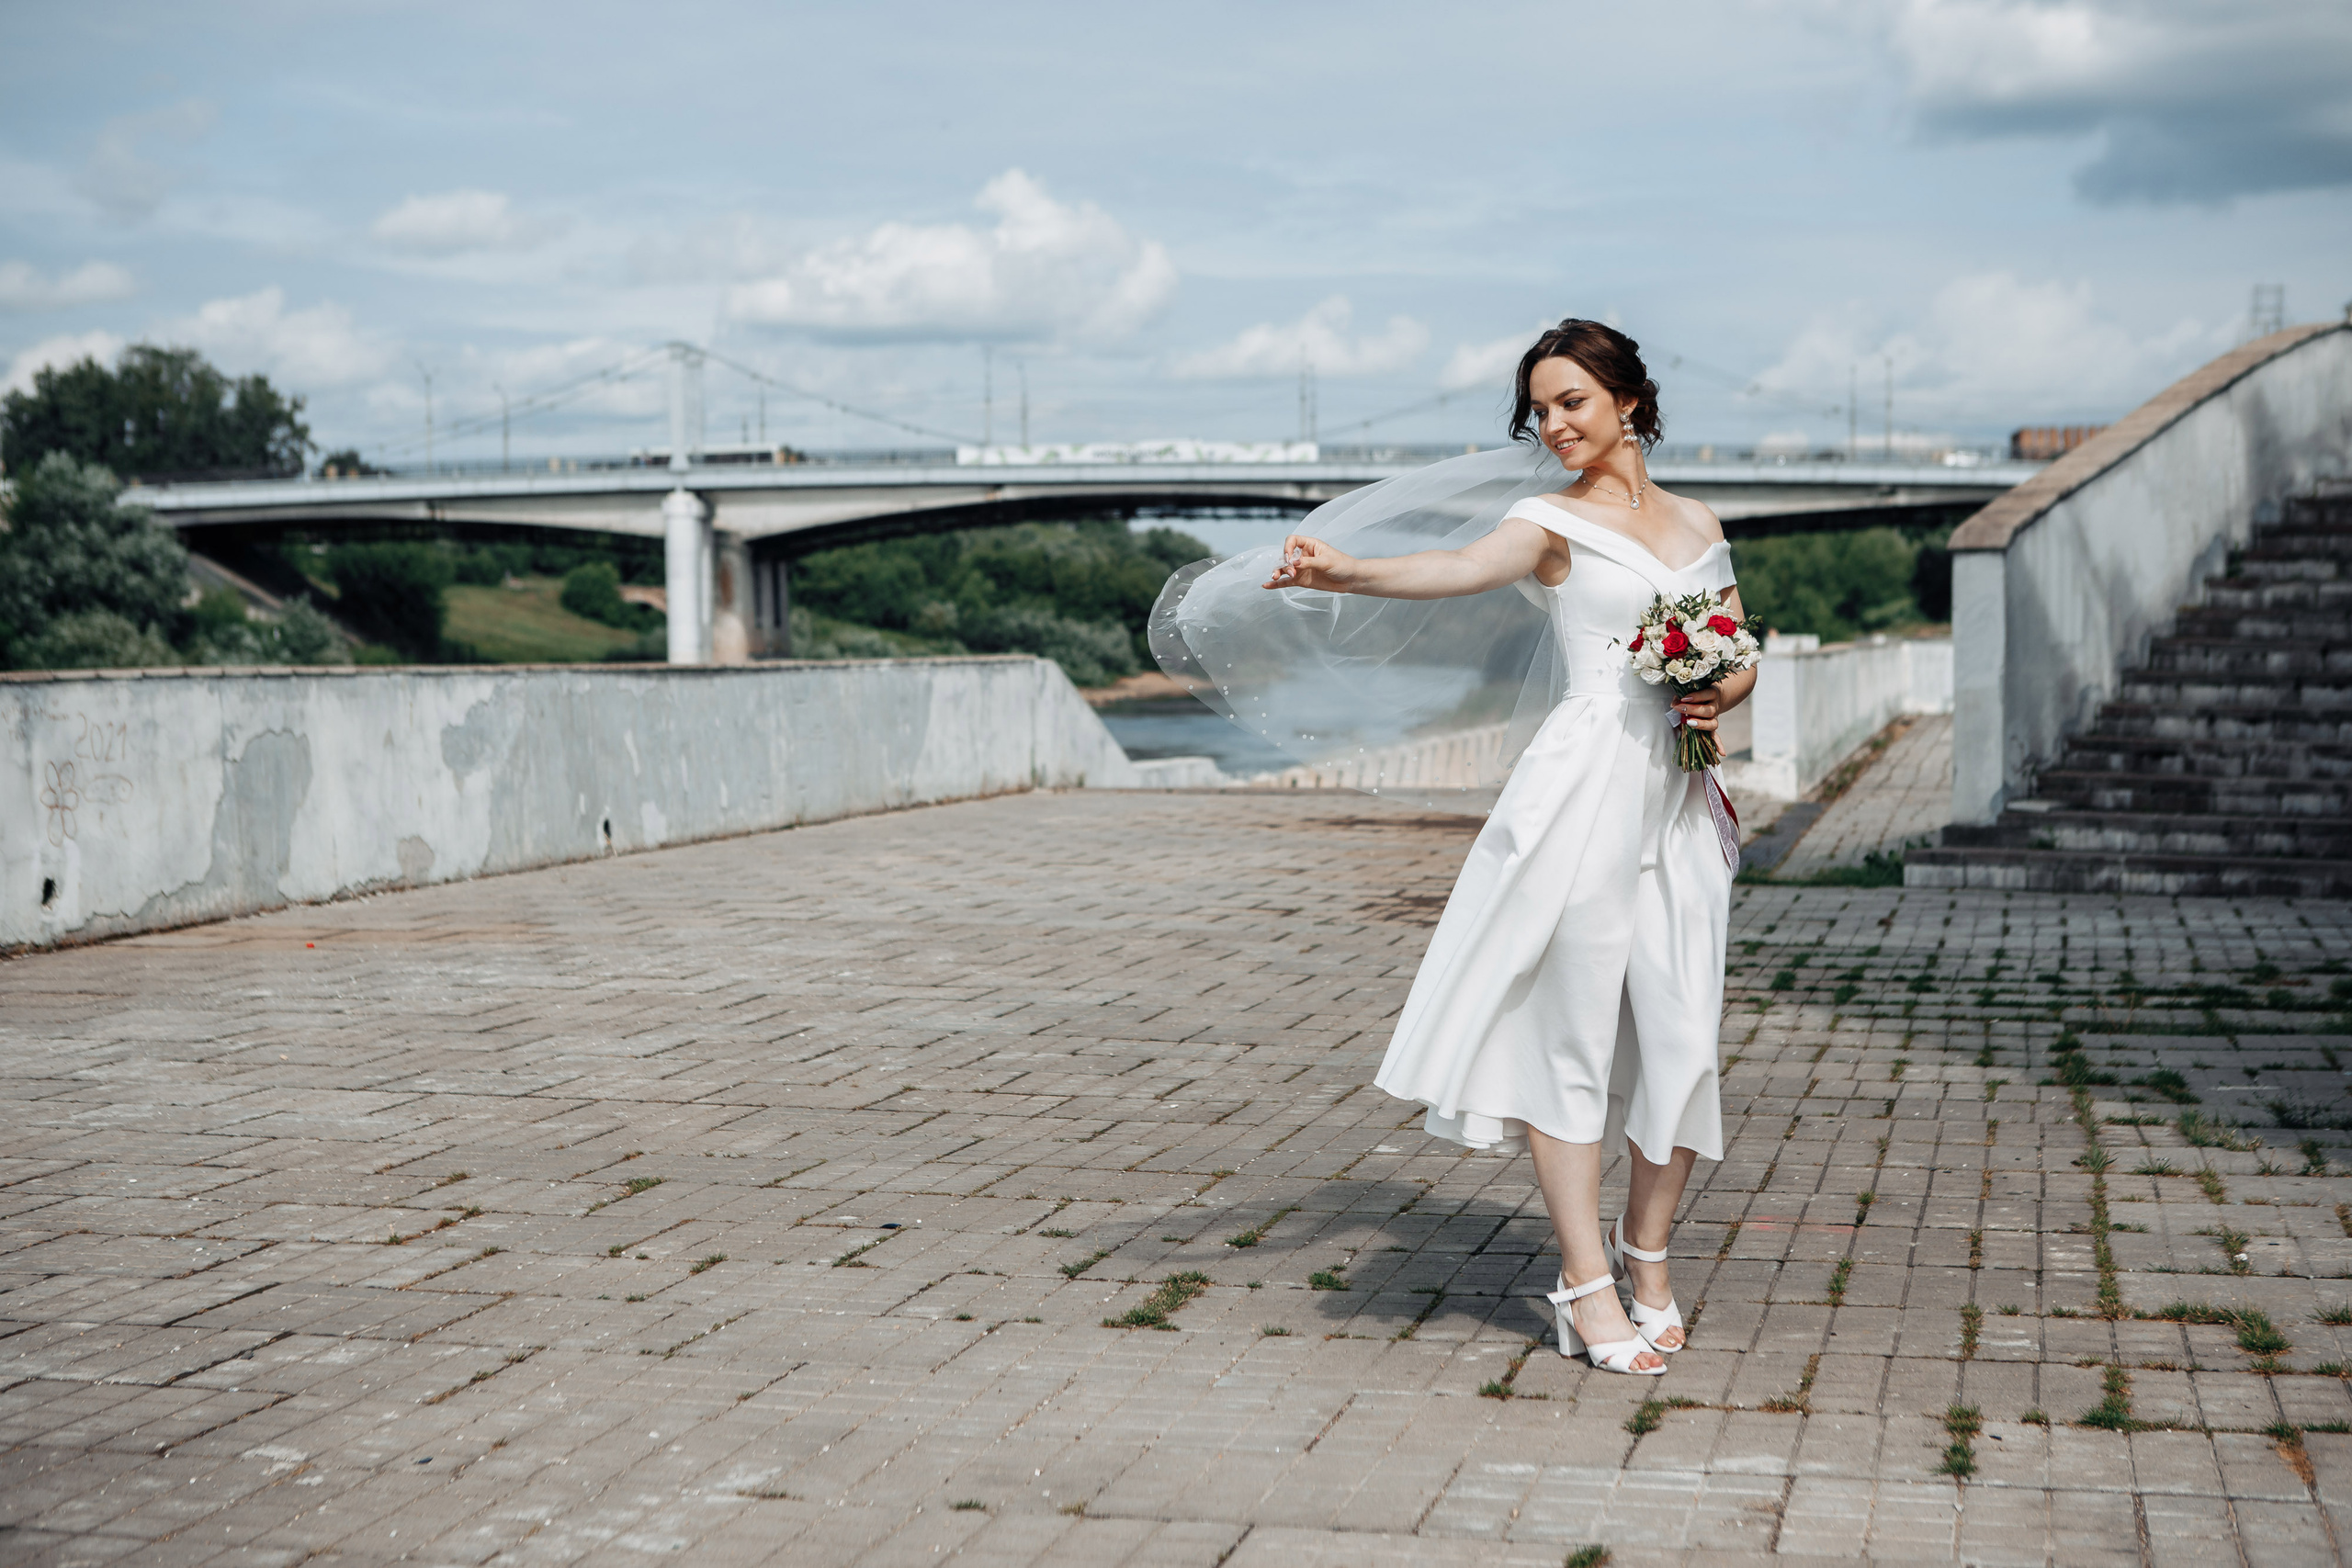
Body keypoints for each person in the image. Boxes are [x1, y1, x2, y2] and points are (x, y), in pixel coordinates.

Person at [1262, 320, 1751, 1375]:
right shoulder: (1545, 522)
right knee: (1567, 1037)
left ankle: (1648, 1256)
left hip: (1679, 794)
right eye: (1539, 408)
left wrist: (1725, 684)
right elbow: (1456, 566)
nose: (1552, 423)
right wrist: (1346, 573)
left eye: (1570, 400)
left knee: (1683, 1039)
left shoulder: (1698, 520)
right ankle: (1586, 1289)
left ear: (1629, 400)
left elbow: (1735, 642)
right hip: (1582, 792)